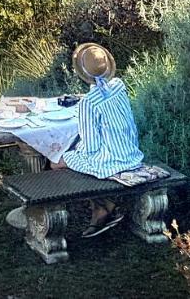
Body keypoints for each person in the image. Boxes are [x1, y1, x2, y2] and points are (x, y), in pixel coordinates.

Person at [53, 42, 144, 238]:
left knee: (55, 162)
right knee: (71, 156)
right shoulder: (119, 85)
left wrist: (73, 153)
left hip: (111, 161)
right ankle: (105, 204)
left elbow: (91, 147)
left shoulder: (88, 103)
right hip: (131, 153)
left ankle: (96, 207)